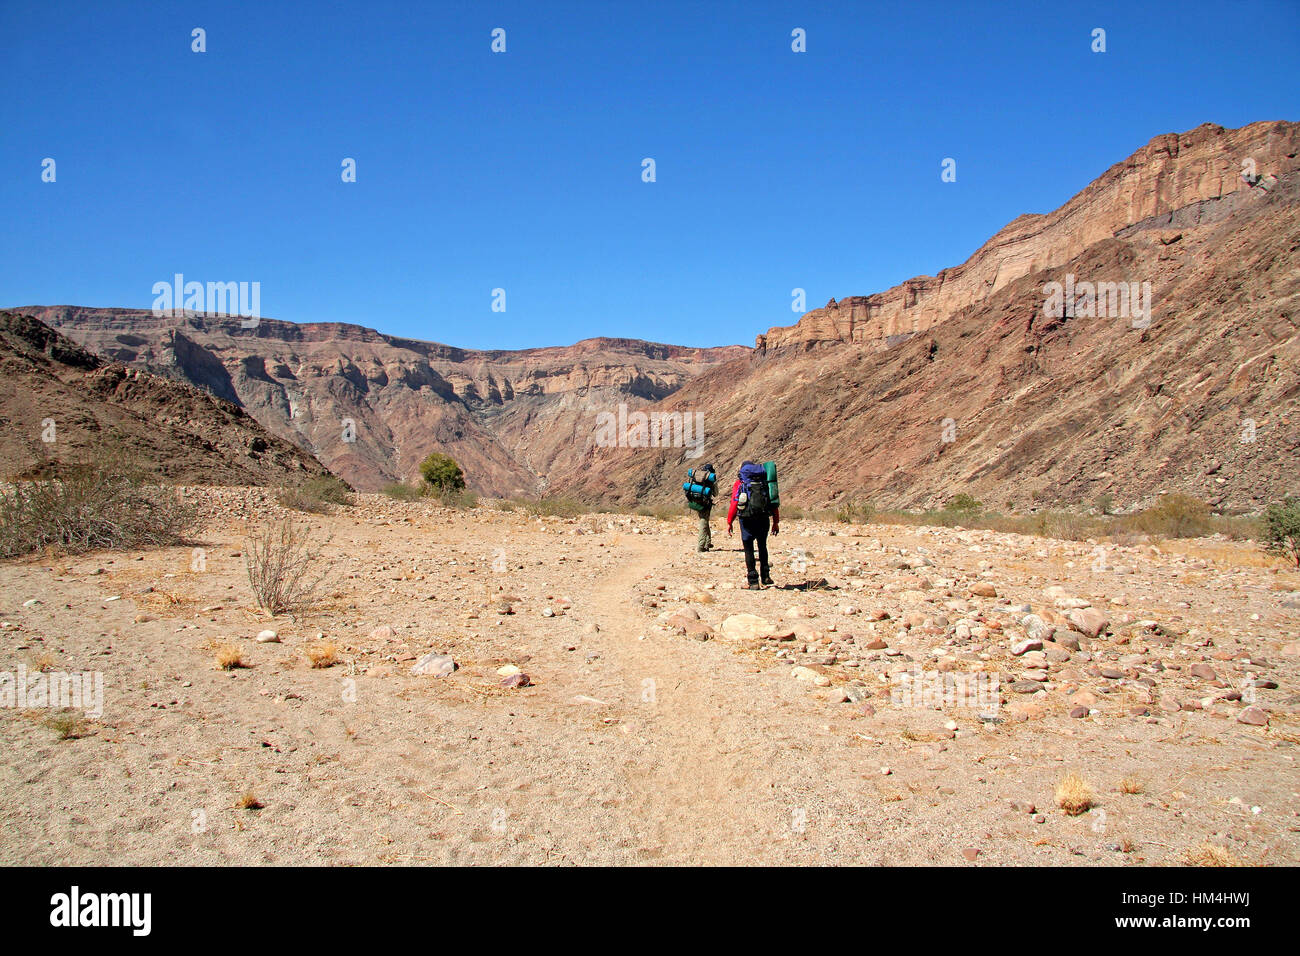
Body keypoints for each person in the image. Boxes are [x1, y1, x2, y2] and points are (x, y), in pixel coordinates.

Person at [726, 460, 779, 588]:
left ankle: (753, 581)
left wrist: (729, 522)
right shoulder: (765, 483)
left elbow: (734, 503)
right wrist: (775, 522)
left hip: (746, 519)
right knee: (762, 546)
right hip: (763, 518)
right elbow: (773, 503)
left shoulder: (740, 483)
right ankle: (765, 576)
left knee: (749, 549)